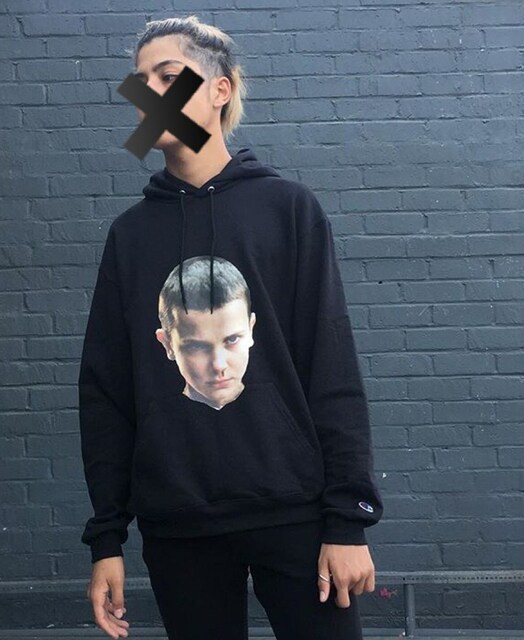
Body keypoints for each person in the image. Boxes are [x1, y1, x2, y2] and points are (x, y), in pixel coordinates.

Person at [79, 14, 383, 640]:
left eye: (168, 77)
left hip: (295, 516)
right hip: (179, 526)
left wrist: (347, 521)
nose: (149, 94)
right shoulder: (130, 236)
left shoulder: (287, 208)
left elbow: (330, 366)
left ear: (220, 89)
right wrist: (106, 537)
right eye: (140, 81)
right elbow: (106, 391)